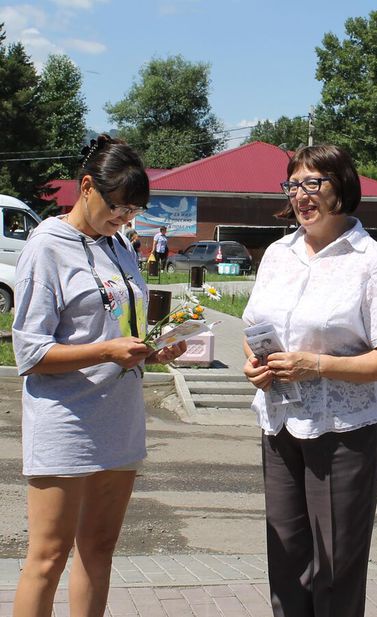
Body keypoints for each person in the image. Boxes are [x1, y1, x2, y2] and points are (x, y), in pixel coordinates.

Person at [11, 134, 186, 617]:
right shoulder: (46, 247)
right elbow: (30, 351)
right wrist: (105, 350)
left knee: (99, 549)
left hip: (119, 415)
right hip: (64, 417)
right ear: (86, 186)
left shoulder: (119, 246)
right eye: (118, 207)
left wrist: (152, 349)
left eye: (133, 212)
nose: (124, 219)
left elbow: (119, 328)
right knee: (48, 556)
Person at [242, 144, 377, 617]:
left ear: (342, 187)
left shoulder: (371, 261)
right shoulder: (278, 253)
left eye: (313, 183)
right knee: (287, 557)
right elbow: (252, 327)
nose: (301, 195)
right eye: (293, 185)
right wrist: (253, 364)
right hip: (279, 423)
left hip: (345, 431)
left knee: (334, 567)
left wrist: (315, 365)